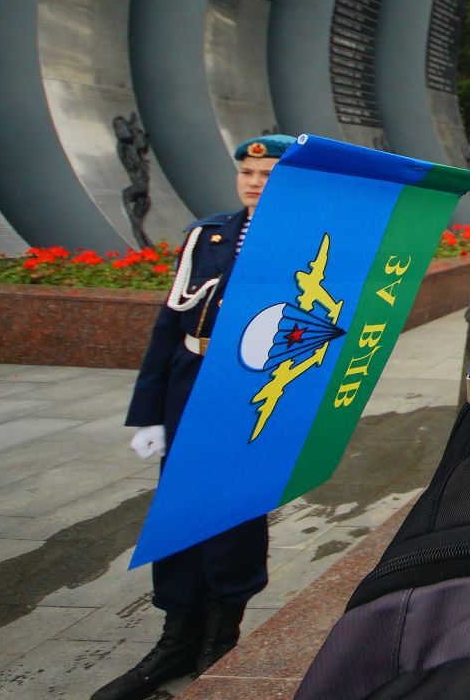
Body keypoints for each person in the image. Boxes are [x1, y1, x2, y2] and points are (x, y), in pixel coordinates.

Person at [94, 134, 294, 700]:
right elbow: (168, 326)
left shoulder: (301, 242)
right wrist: (150, 413)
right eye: (248, 171)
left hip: (250, 392)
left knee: (231, 514)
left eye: (269, 172)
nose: (255, 181)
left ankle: (220, 640)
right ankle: (176, 636)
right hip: (190, 380)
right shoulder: (207, 234)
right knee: (178, 508)